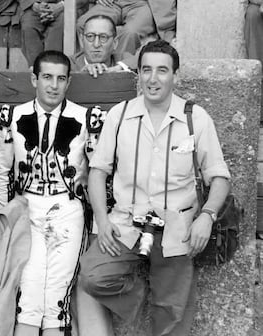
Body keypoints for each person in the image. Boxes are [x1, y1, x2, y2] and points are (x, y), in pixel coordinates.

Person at [78, 40, 231, 335]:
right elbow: (97, 172)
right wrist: (102, 218)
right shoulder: (120, 115)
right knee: (93, 276)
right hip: (126, 223)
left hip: (177, 228)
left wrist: (207, 217)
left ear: (175, 75)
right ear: (138, 74)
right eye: (146, 70)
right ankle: (145, 294)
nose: (153, 78)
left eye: (162, 70)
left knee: (173, 317)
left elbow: (219, 178)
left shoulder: (194, 118)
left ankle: (164, 299)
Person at [0, 50, 101, 336]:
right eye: (47, 77)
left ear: (68, 82)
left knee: (57, 292)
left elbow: (99, 177)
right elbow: (1, 172)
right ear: (34, 79)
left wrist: (99, 225)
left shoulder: (86, 117)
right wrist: (3, 220)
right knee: (28, 291)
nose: (53, 85)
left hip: (68, 211)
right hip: (26, 209)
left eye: (61, 79)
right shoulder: (13, 116)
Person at [0, 0, 88, 67]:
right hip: (34, 7)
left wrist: (61, 6)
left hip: (65, 7)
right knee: (28, 26)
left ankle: (53, 67)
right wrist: (33, 5)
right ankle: (35, 69)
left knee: (62, 24)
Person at [77, 0, 177, 57]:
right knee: (83, 24)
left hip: (140, 4)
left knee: (130, 32)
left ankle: (118, 72)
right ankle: (89, 69)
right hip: (111, 3)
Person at [70, 14, 137, 78]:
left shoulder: (123, 59)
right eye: (90, 36)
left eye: (103, 37)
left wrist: (119, 67)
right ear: (82, 41)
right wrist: (81, 75)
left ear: (115, 43)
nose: (96, 44)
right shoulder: (70, 65)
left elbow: (140, 59)